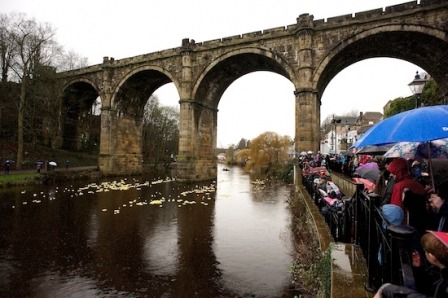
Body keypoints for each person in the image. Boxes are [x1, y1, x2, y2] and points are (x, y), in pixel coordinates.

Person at [374, 231, 448, 298]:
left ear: (432, 257)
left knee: (385, 289)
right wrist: (417, 269)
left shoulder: (443, 285)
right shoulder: (438, 271)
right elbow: (428, 285)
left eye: (425, 251)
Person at [387, 157, 427, 236]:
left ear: (398, 172)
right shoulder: (417, 184)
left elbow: (396, 210)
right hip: (419, 225)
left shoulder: (399, 186)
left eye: (393, 172)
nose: (391, 175)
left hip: (404, 227)